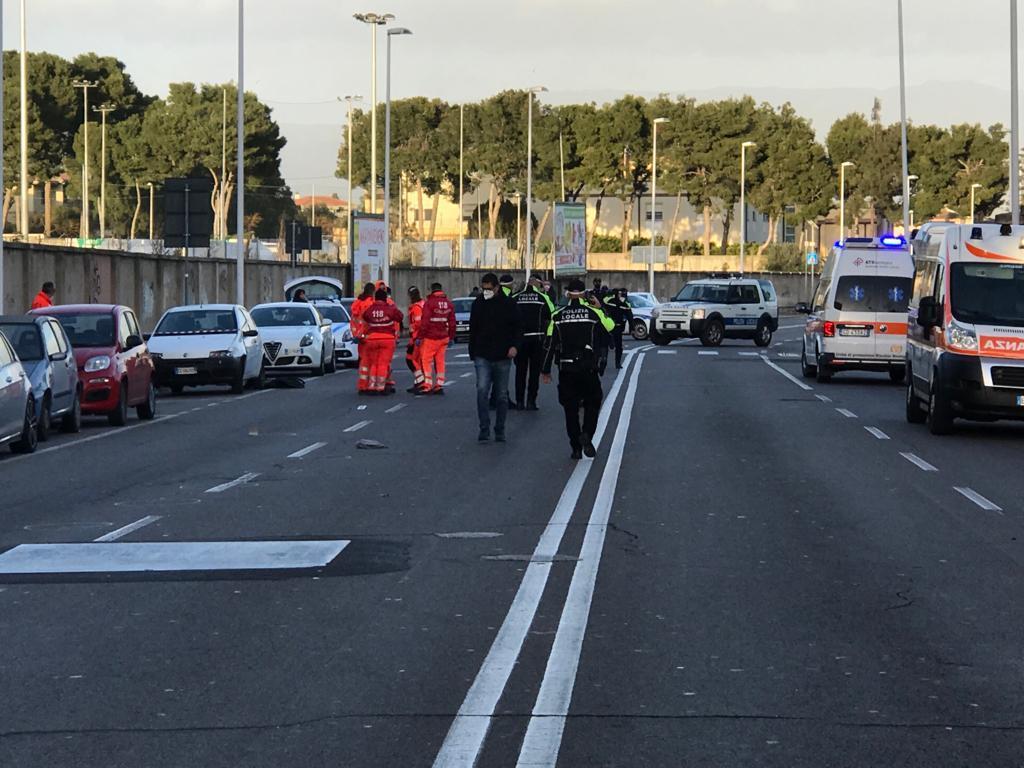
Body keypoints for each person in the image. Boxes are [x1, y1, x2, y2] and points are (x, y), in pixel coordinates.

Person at [542, 278, 615, 460]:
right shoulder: (592, 313)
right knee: (593, 402)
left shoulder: (558, 315)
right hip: (588, 367)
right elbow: (610, 326)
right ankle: (587, 434)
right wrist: (599, 307)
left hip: (566, 369)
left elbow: (551, 343)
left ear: (568, 293)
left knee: (570, 408)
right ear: (584, 293)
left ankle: (575, 447)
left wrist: (545, 370)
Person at [469, 273, 519, 442]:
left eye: (489, 289)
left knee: (501, 395)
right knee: (482, 390)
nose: (486, 292)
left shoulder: (509, 304)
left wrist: (514, 346)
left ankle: (500, 429)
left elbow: (518, 327)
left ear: (497, 288)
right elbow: (473, 328)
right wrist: (473, 352)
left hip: (503, 355)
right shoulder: (478, 304)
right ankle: (484, 428)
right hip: (482, 354)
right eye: (484, 289)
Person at [512, 272, 555, 410]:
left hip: (520, 340)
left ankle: (519, 401)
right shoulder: (543, 298)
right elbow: (552, 314)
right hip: (537, 339)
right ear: (537, 283)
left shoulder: (515, 297)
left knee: (520, 371)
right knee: (534, 372)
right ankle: (531, 401)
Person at [361, 288, 404, 395]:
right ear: (385, 298)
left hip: (372, 339)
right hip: (387, 339)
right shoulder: (389, 309)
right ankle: (380, 386)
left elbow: (365, 317)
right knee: (383, 363)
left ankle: (371, 385)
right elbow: (400, 317)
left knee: (374, 363)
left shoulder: (370, 309)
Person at [418, 282, 456, 395]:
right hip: (444, 337)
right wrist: (451, 337)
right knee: (440, 361)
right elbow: (452, 323)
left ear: (432, 290)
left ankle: (428, 384)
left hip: (431, 337)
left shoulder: (429, 303)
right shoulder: (449, 304)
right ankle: (439, 384)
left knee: (426, 360)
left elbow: (424, 322)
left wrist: (420, 336)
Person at [351, 282, 376, 393]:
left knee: (363, 362)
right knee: (372, 362)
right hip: (369, 336)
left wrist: (356, 334)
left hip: (360, 337)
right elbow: (370, 321)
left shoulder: (357, 303)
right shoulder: (370, 303)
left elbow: (354, 321)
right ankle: (371, 385)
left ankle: (362, 385)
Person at [602, 287, 634, 370]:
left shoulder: (624, 304)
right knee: (608, 345)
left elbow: (630, 316)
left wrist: (632, 328)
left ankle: (617, 362)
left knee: (618, 346)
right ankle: (607, 360)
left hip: (616, 326)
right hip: (610, 326)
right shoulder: (610, 301)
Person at [405, 286, 426, 393]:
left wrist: (413, 334)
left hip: (417, 337)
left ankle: (421, 381)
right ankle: (419, 381)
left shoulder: (416, 307)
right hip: (421, 336)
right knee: (418, 360)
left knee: (410, 360)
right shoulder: (423, 304)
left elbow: (418, 323)